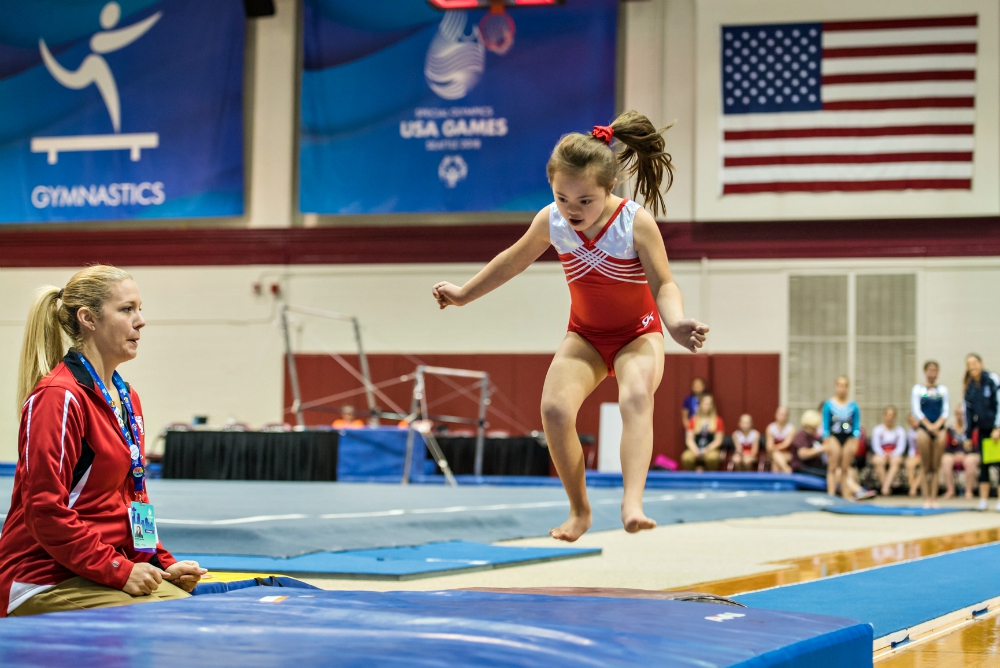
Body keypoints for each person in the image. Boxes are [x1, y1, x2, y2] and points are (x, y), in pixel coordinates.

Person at [432, 111, 708, 541]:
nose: (573, 210)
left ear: (609, 188)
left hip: (639, 334)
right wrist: (464, 293)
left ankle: (632, 502)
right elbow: (511, 261)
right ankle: (579, 511)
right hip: (586, 336)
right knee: (555, 410)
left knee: (635, 394)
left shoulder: (634, 223)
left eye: (585, 201)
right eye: (563, 198)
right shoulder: (551, 221)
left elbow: (664, 283)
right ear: (552, 188)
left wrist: (674, 323)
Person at [0, 266, 205, 617]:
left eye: (140, 309)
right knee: (169, 620)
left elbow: (134, 496)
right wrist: (119, 570)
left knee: (187, 608)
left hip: (97, 571)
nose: (140, 321)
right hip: (43, 579)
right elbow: (44, 510)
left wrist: (159, 562)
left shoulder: (127, 397)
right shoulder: (58, 397)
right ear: (88, 319)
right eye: (127, 309)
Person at [963, 354, 1000, 511]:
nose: (973, 366)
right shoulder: (970, 388)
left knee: (998, 464)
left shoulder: (992, 379)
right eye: (969, 364)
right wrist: (968, 435)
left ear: (981, 363)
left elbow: (999, 403)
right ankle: (983, 500)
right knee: (984, 464)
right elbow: (968, 413)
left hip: (996, 429)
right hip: (983, 430)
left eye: (975, 363)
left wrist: (998, 427)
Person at [911, 360, 949, 508]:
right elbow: (916, 410)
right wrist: (928, 425)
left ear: (938, 373)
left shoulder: (943, 390)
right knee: (926, 466)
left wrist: (938, 425)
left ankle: (934, 498)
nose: (932, 373)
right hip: (924, 428)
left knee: (936, 466)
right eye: (930, 370)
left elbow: (946, 410)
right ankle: (926, 498)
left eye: (935, 371)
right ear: (925, 372)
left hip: (939, 428)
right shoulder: (918, 389)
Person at [821, 376, 863, 499]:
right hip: (834, 437)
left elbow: (856, 425)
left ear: (848, 388)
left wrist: (855, 441)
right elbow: (825, 424)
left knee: (845, 469)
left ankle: (845, 494)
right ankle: (831, 494)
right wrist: (826, 442)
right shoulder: (829, 405)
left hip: (849, 438)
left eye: (844, 385)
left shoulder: (853, 406)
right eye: (839, 385)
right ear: (836, 387)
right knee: (832, 467)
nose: (842, 388)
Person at [942, 404, 977, 500]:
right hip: (954, 454)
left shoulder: (972, 428)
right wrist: (955, 454)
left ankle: (968, 491)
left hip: (970, 454)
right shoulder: (950, 429)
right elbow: (947, 447)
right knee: (946, 460)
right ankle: (950, 490)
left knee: (970, 461)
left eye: (962, 414)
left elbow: (976, 446)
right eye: (957, 414)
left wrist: (964, 454)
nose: (959, 416)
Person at [870, 407, 907, 497]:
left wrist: (892, 454)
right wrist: (884, 454)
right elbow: (876, 446)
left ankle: (885, 487)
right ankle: (886, 487)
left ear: (895, 417)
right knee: (877, 460)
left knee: (896, 461)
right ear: (884, 416)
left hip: (894, 455)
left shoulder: (900, 431)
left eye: (892, 415)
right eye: (888, 415)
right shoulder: (877, 430)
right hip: (881, 454)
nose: (889, 418)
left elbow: (901, 447)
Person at [683, 395, 725, 471]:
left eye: (709, 404)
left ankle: (711, 478)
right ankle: (691, 478)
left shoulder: (718, 421)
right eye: (705, 403)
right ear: (700, 405)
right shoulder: (693, 420)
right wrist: (695, 450)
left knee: (712, 458)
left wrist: (706, 450)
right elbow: (689, 439)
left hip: (711, 449)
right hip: (695, 448)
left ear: (712, 406)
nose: (707, 406)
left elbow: (718, 441)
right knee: (686, 457)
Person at [788, 410, 827, 479]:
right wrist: (821, 448)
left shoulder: (813, 436)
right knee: (829, 474)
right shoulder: (801, 436)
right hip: (801, 467)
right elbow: (803, 454)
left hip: (813, 466)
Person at [766, 406, 796, 474]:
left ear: (788, 416)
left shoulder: (791, 428)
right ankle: (787, 470)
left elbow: (786, 444)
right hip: (773, 454)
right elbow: (769, 445)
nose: (782, 416)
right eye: (781, 414)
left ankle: (776, 482)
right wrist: (773, 449)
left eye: (784, 415)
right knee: (776, 456)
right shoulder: (770, 428)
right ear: (776, 415)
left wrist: (774, 448)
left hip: (787, 454)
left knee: (776, 461)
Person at [904, 414, 922, 498]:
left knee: (925, 466)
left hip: (925, 455)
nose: (913, 423)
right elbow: (912, 448)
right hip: (916, 455)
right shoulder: (910, 433)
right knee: (909, 463)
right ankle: (913, 488)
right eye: (911, 422)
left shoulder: (924, 431)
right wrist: (911, 458)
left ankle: (913, 488)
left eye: (915, 420)